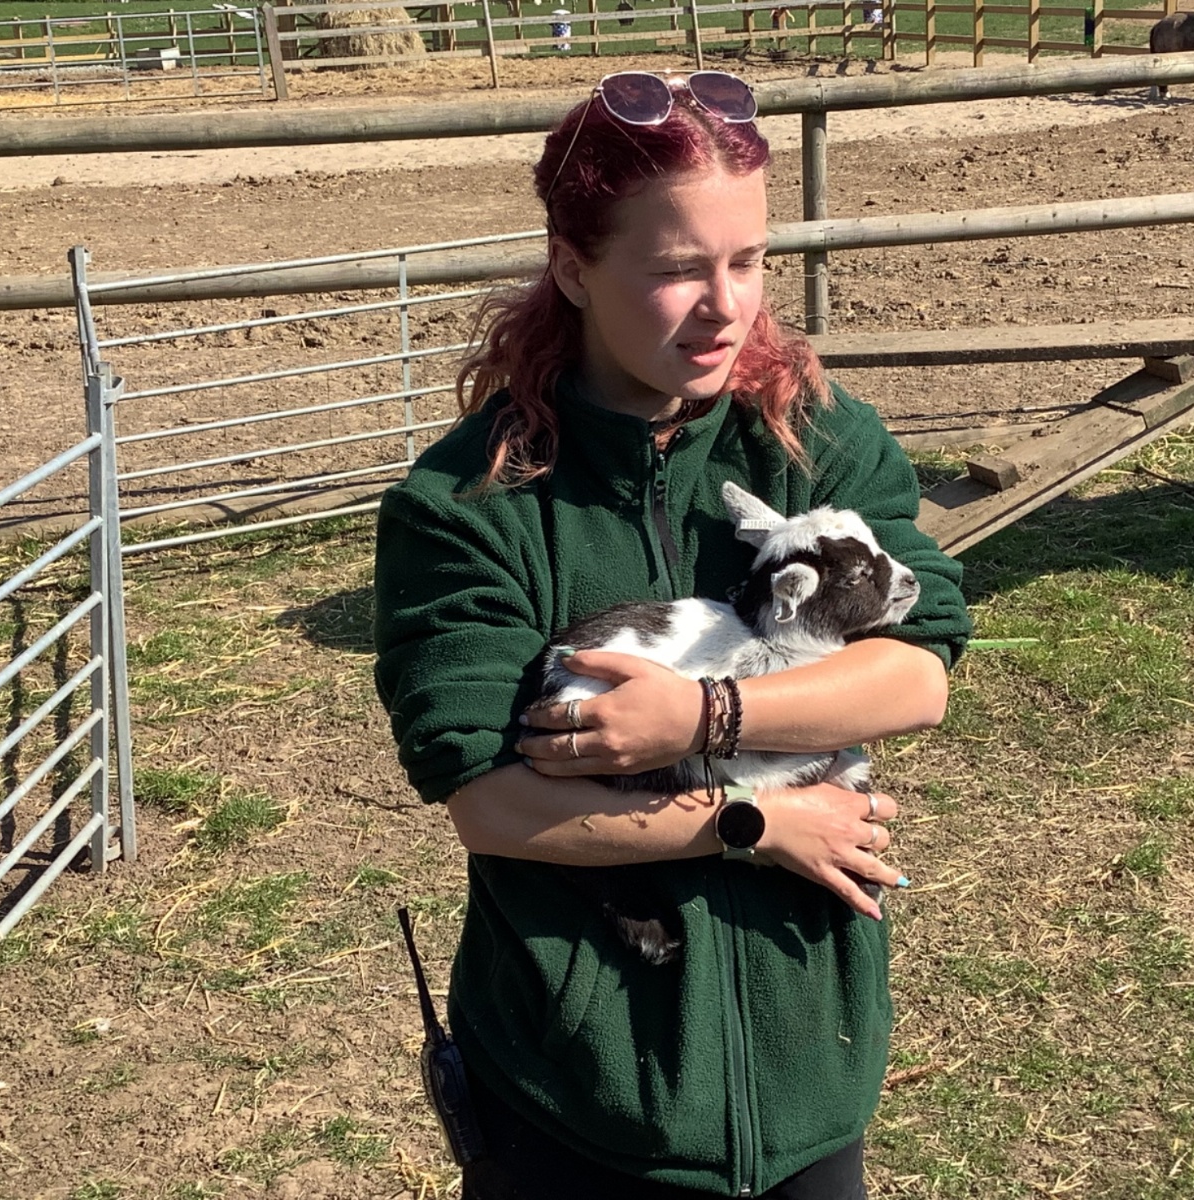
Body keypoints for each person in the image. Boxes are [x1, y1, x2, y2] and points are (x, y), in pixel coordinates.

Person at [374, 69, 972, 1199]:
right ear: (572, 268)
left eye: (748, 261)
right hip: (584, 1088)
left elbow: (916, 673)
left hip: (809, 1065)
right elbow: (491, 804)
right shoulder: (471, 505)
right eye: (675, 270)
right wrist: (749, 823)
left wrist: (703, 716)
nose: (726, 307)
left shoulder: (807, 439)